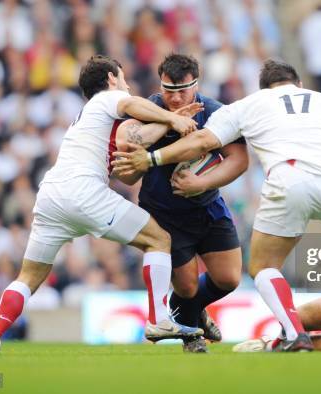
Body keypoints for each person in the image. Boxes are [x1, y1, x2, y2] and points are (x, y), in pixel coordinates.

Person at [112, 59, 321, 352]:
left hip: (288, 178)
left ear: (265, 88)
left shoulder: (247, 105)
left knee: (262, 264)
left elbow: (206, 141)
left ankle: (294, 334)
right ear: (300, 84)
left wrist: (153, 159)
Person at [0, 55, 203, 356]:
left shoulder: (88, 114)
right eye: (123, 77)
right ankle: (158, 319)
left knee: (28, 276)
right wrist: (173, 118)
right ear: (110, 78)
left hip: (51, 196)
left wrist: (172, 118)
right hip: (84, 192)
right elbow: (131, 105)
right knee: (159, 240)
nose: (127, 85)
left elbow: (140, 138)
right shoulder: (109, 97)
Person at [114, 54, 248, 353]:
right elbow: (129, 174)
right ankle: (193, 336)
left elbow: (239, 160)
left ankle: (188, 309)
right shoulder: (149, 110)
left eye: (182, 91)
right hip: (164, 214)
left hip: (208, 205)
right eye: (168, 90)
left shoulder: (215, 112)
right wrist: (169, 122)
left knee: (228, 279)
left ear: (196, 85)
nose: (175, 98)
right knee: (187, 285)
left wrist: (201, 182)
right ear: (159, 84)